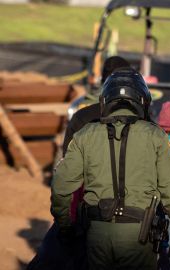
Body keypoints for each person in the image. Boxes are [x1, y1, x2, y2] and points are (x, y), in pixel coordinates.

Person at [51, 69, 170, 269]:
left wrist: (65, 226)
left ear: (105, 100)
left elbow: (60, 187)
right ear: (142, 101)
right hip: (139, 237)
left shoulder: (85, 135)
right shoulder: (156, 136)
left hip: (96, 234)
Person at [27, 56, 132, 270]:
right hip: (128, 210)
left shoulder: (83, 115)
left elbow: (67, 166)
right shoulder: (143, 120)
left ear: (104, 80)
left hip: (84, 203)